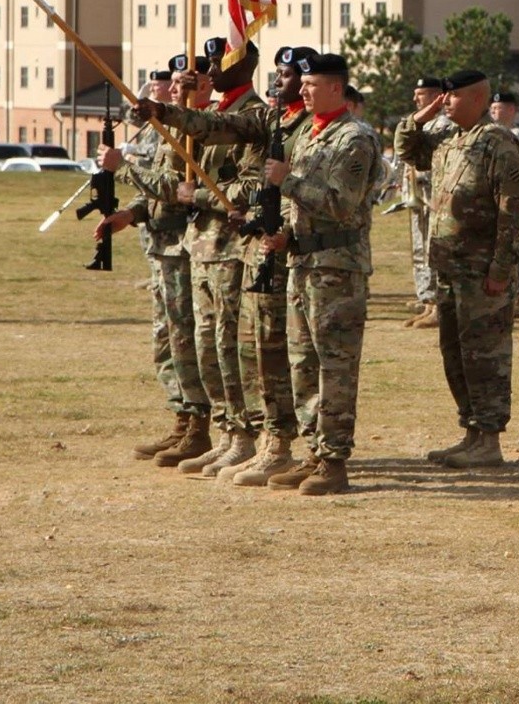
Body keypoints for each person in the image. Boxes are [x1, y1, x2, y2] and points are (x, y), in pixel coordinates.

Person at [140, 51, 378, 494]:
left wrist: (285, 180)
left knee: (335, 369)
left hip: (337, 269)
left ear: (335, 88)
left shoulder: (355, 138)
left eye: (310, 84)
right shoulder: (307, 132)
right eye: (299, 83)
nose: (302, 90)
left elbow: (341, 203)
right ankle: (312, 453)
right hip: (301, 260)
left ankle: (333, 461)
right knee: (303, 366)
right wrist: (166, 112)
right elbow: (224, 129)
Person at [395, 70, 519, 468]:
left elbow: (515, 208)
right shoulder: (447, 139)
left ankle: (489, 439)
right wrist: (422, 116)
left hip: (482, 270)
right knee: (455, 354)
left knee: (485, 355)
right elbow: (406, 148)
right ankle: (470, 431)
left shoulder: (498, 142)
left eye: (452, 97)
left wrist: (502, 268)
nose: (445, 102)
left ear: (476, 99)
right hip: (450, 270)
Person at [98, 62, 210, 466]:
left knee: (185, 339)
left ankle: (198, 425)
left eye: (187, 84)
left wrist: (122, 169)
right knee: (166, 341)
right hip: (162, 246)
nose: (178, 90)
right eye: (176, 84)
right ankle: (182, 418)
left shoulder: (202, 130)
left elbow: (180, 189)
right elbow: (158, 190)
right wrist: (130, 214)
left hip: (186, 248)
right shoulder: (165, 130)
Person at [175, 42, 270, 479]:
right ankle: (225, 431)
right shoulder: (213, 110)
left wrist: (204, 197)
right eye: (211, 62)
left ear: (245, 65)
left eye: (220, 62)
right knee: (207, 345)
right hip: (202, 246)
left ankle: (245, 435)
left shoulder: (254, 115)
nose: (211, 68)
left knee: (230, 347)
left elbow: (250, 186)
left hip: (232, 246)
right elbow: (183, 163)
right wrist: (179, 105)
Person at [404, 76, 453, 327]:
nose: (415, 99)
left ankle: (437, 305)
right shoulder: (421, 125)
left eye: (420, 94)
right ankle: (429, 301)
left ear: (435, 97)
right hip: (420, 202)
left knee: (433, 252)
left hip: (434, 200)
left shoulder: (442, 125)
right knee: (421, 252)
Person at [489, 90, 519, 316]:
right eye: (493, 108)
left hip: (515, 201)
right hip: (496, 201)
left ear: (511, 110)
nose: (494, 111)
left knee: (514, 248)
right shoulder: (492, 135)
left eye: (499, 108)